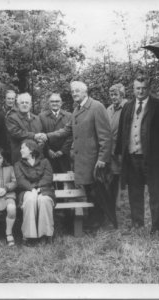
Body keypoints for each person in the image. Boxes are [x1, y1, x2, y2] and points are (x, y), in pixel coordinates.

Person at [37, 81, 112, 229]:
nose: (74, 94)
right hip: (84, 160)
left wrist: (103, 158)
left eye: (77, 91)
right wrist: (46, 135)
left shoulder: (96, 107)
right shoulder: (77, 109)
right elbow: (65, 130)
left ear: (85, 92)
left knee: (99, 192)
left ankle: (105, 222)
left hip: (95, 160)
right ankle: (94, 221)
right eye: (72, 91)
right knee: (90, 191)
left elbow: (106, 136)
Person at [116, 73, 159, 234]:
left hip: (153, 159)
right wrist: (119, 153)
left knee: (155, 192)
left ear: (149, 89)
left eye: (144, 88)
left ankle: (157, 226)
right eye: (138, 88)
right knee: (135, 192)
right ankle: (137, 223)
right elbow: (122, 132)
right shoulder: (128, 106)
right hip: (132, 157)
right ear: (133, 89)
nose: (141, 91)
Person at [14, 139, 55, 245]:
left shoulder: (45, 162)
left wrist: (39, 188)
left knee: (44, 200)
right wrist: (32, 189)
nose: (21, 151)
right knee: (31, 199)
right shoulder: (18, 164)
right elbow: (20, 180)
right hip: (27, 190)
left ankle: (47, 234)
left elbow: (48, 177)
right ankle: (28, 236)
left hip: (44, 189)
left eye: (23, 148)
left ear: (31, 149)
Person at [6, 93, 44, 164]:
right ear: (18, 105)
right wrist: (34, 136)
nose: (24, 104)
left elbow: (40, 132)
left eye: (27, 102)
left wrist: (41, 140)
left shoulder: (37, 118)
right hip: (19, 156)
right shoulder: (12, 118)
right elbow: (16, 133)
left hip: (36, 156)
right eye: (22, 102)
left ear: (30, 105)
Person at [106, 83, 127, 214]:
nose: (113, 97)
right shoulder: (109, 109)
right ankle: (113, 202)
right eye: (111, 95)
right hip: (110, 148)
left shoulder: (127, 107)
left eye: (116, 94)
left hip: (122, 148)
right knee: (112, 175)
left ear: (122, 95)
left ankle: (119, 202)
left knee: (120, 175)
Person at [39, 93, 72, 173]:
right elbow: (41, 134)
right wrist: (48, 150)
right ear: (49, 103)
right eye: (52, 101)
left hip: (64, 155)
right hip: (48, 155)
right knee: (49, 179)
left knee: (66, 180)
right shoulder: (41, 116)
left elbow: (71, 135)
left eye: (57, 101)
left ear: (61, 103)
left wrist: (62, 151)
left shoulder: (69, 116)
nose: (54, 103)